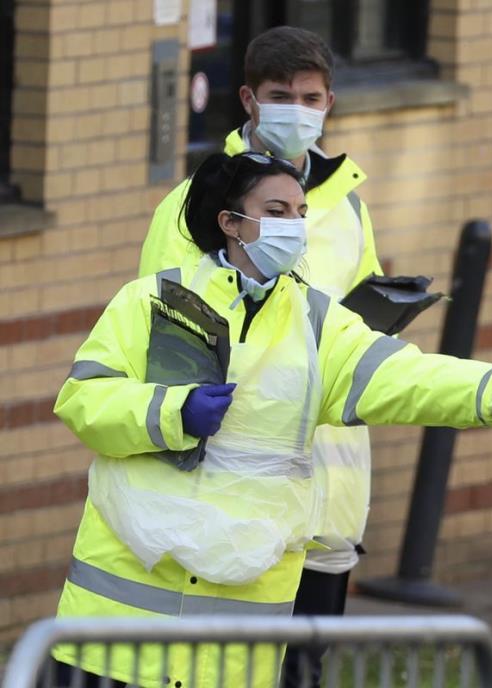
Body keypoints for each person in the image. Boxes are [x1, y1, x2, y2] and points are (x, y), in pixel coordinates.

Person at [50, 152, 492, 687]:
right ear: (230, 222)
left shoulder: (318, 324)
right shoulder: (150, 302)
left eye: (300, 210)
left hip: (235, 652)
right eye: (277, 209)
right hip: (115, 641)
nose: (294, 223)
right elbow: (84, 399)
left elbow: (405, 376)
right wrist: (173, 412)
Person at [139, 26, 389, 684]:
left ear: (330, 102)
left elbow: (359, 324)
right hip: (237, 502)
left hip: (327, 502)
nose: (298, 111)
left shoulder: (347, 208)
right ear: (249, 99)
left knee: (302, 674)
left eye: (311, 98)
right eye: (283, 96)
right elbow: (172, 337)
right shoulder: (196, 205)